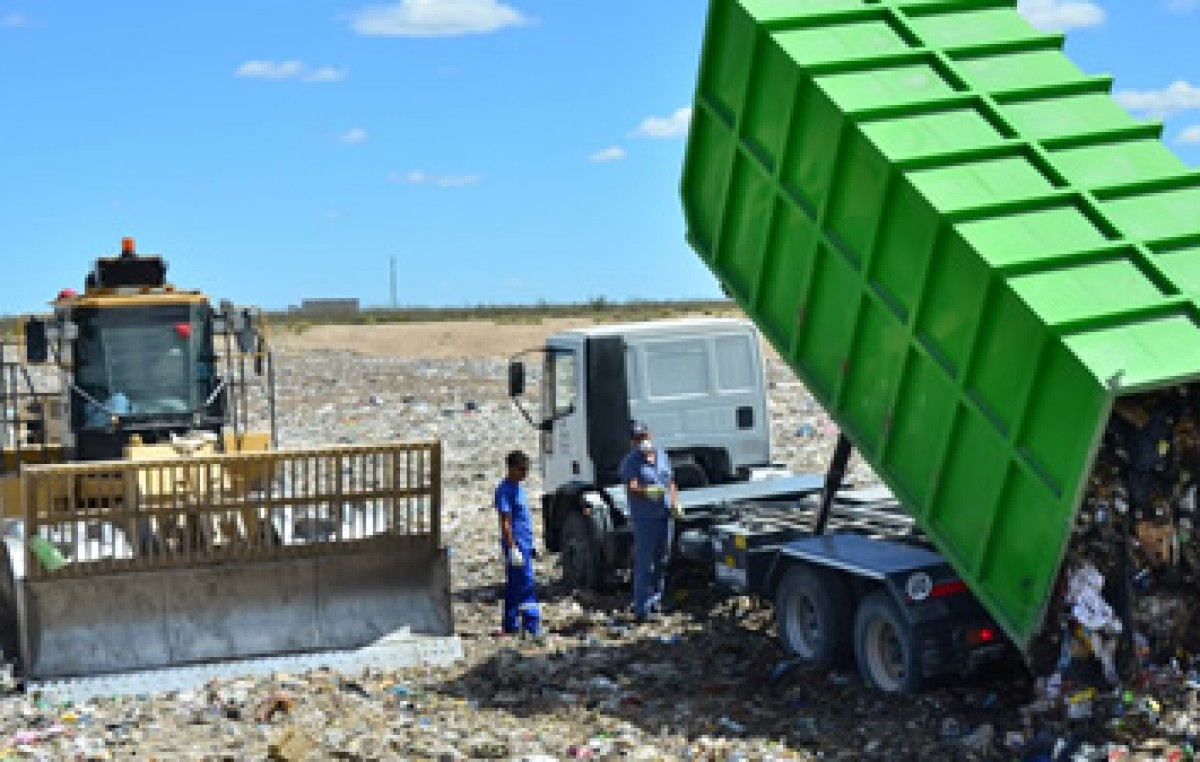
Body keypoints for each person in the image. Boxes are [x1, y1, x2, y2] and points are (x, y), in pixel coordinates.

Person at [620, 421, 680, 622]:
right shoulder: (631, 462)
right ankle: (642, 608)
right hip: (646, 519)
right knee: (645, 564)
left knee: (662, 560)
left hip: (665, 516)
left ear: (650, 435)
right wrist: (648, 492)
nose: (642, 442)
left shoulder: (661, 455)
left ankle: (656, 602)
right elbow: (632, 487)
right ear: (632, 441)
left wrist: (674, 502)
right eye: (637, 439)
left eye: (644, 437)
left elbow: (670, 481)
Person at [495, 449, 542, 638]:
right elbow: (505, 521)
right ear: (511, 468)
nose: (525, 474)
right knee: (526, 584)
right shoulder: (504, 490)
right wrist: (513, 547)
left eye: (526, 470)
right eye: (521, 470)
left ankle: (510, 625)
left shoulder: (519, 489)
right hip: (516, 544)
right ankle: (532, 626)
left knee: (514, 586)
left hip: (525, 542)